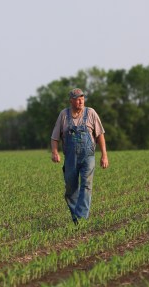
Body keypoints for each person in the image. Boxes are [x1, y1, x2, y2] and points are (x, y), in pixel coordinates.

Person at [51, 88, 109, 225]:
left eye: (82, 98)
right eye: (77, 99)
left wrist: (104, 155)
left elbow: (100, 135)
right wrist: (54, 152)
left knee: (86, 185)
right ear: (71, 100)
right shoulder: (64, 115)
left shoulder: (91, 113)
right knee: (70, 190)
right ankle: (76, 218)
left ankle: (82, 219)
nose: (80, 101)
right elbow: (54, 137)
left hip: (88, 156)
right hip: (71, 158)